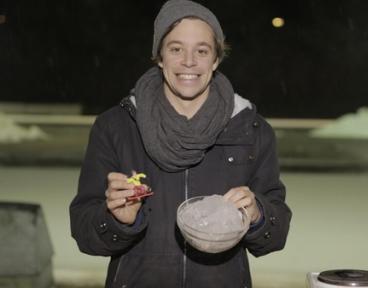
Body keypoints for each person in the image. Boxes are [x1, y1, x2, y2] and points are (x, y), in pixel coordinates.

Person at [69, 0, 292, 287]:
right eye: (176, 49)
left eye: (202, 50)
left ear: (215, 59)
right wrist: (117, 220)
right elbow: (84, 232)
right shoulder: (116, 127)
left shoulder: (251, 129)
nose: (189, 61)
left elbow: (276, 235)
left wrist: (258, 214)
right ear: (159, 56)